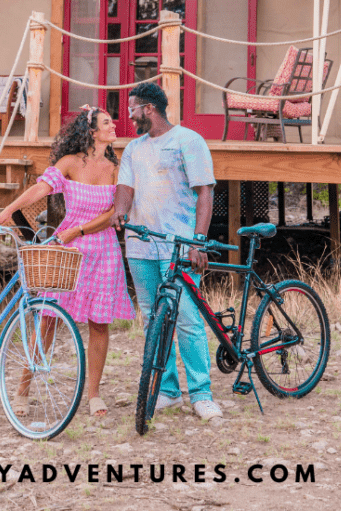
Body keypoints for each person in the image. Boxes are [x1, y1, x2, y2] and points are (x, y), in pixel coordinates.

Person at [0, 105, 134, 418]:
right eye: (106, 122)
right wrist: (7, 212)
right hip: (67, 250)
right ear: (92, 131)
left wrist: (79, 230)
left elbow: (114, 213)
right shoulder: (70, 163)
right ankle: (23, 389)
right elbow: (40, 189)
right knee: (49, 317)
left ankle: (94, 395)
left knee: (99, 324)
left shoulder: (117, 166)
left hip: (102, 250)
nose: (114, 125)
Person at [112, 81, 222, 425]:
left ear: (149, 109)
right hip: (140, 245)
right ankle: (169, 391)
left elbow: (204, 192)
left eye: (132, 108)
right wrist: (119, 211)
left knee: (187, 318)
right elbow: (125, 188)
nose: (128, 115)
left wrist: (197, 240)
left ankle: (202, 394)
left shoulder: (188, 141)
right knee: (152, 318)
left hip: (178, 246)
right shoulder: (133, 149)